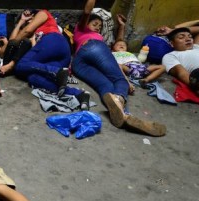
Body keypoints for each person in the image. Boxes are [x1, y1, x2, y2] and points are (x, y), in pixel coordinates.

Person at [71, 0, 166, 137]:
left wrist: (121, 25)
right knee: (120, 81)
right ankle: (123, 106)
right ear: (86, 24)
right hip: (94, 48)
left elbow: (119, 42)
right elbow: (87, 12)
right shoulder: (81, 29)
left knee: (105, 85)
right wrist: (126, 80)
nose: (98, 27)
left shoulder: (95, 37)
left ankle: (122, 116)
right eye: (95, 24)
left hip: (78, 64)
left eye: (100, 26)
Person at [14, 8, 84, 101]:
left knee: (20, 66)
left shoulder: (43, 13)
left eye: (30, 18)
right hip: (60, 54)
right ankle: (78, 94)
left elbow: (26, 31)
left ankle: (56, 71)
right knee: (33, 78)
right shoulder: (32, 34)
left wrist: (9, 46)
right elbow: (37, 53)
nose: (29, 22)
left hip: (53, 40)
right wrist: (21, 22)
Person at [111, 14, 165, 87]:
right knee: (119, 66)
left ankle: (146, 80)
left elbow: (121, 39)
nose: (121, 45)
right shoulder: (112, 53)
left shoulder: (129, 53)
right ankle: (125, 80)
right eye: (118, 44)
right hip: (128, 68)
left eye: (123, 45)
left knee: (162, 67)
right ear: (113, 48)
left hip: (141, 67)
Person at [0, 9, 36, 76]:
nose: (28, 21)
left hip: (23, 64)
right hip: (6, 65)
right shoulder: (19, 32)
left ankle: (10, 66)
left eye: (31, 18)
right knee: (13, 42)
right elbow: (3, 51)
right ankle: (7, 68)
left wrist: (32, 39)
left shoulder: (36, 34)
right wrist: (21, 21)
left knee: (26, 41)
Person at [160, 27, 199, 93]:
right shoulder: (170, 56)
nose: (188, 39)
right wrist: (196, 87)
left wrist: (172, 30)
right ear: (172, 43)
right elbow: (181, 73)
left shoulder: (196, 46)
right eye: (181, 37)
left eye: (190, 37)